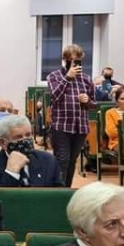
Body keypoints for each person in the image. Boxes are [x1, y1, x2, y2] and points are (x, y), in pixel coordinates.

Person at [47, 44, 96, 187]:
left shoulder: (87, 79)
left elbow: (94, 104)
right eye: (70, 59)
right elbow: (55, 96)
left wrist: (87, 101)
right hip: (61, 125)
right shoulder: (54, 76)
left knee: (72, 161)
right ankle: (58, 191)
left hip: (80, 126)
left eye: (77, 60)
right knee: (62, 159)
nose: (74, 62)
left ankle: (66, 190)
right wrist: (67, 78)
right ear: (65, 59)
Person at [0, 115, 64, 194]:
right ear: (3, 143)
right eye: (18, 137)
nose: (25, 140)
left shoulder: (48, 160)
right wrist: (11, 173)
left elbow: (60, 195)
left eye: (28, 135)